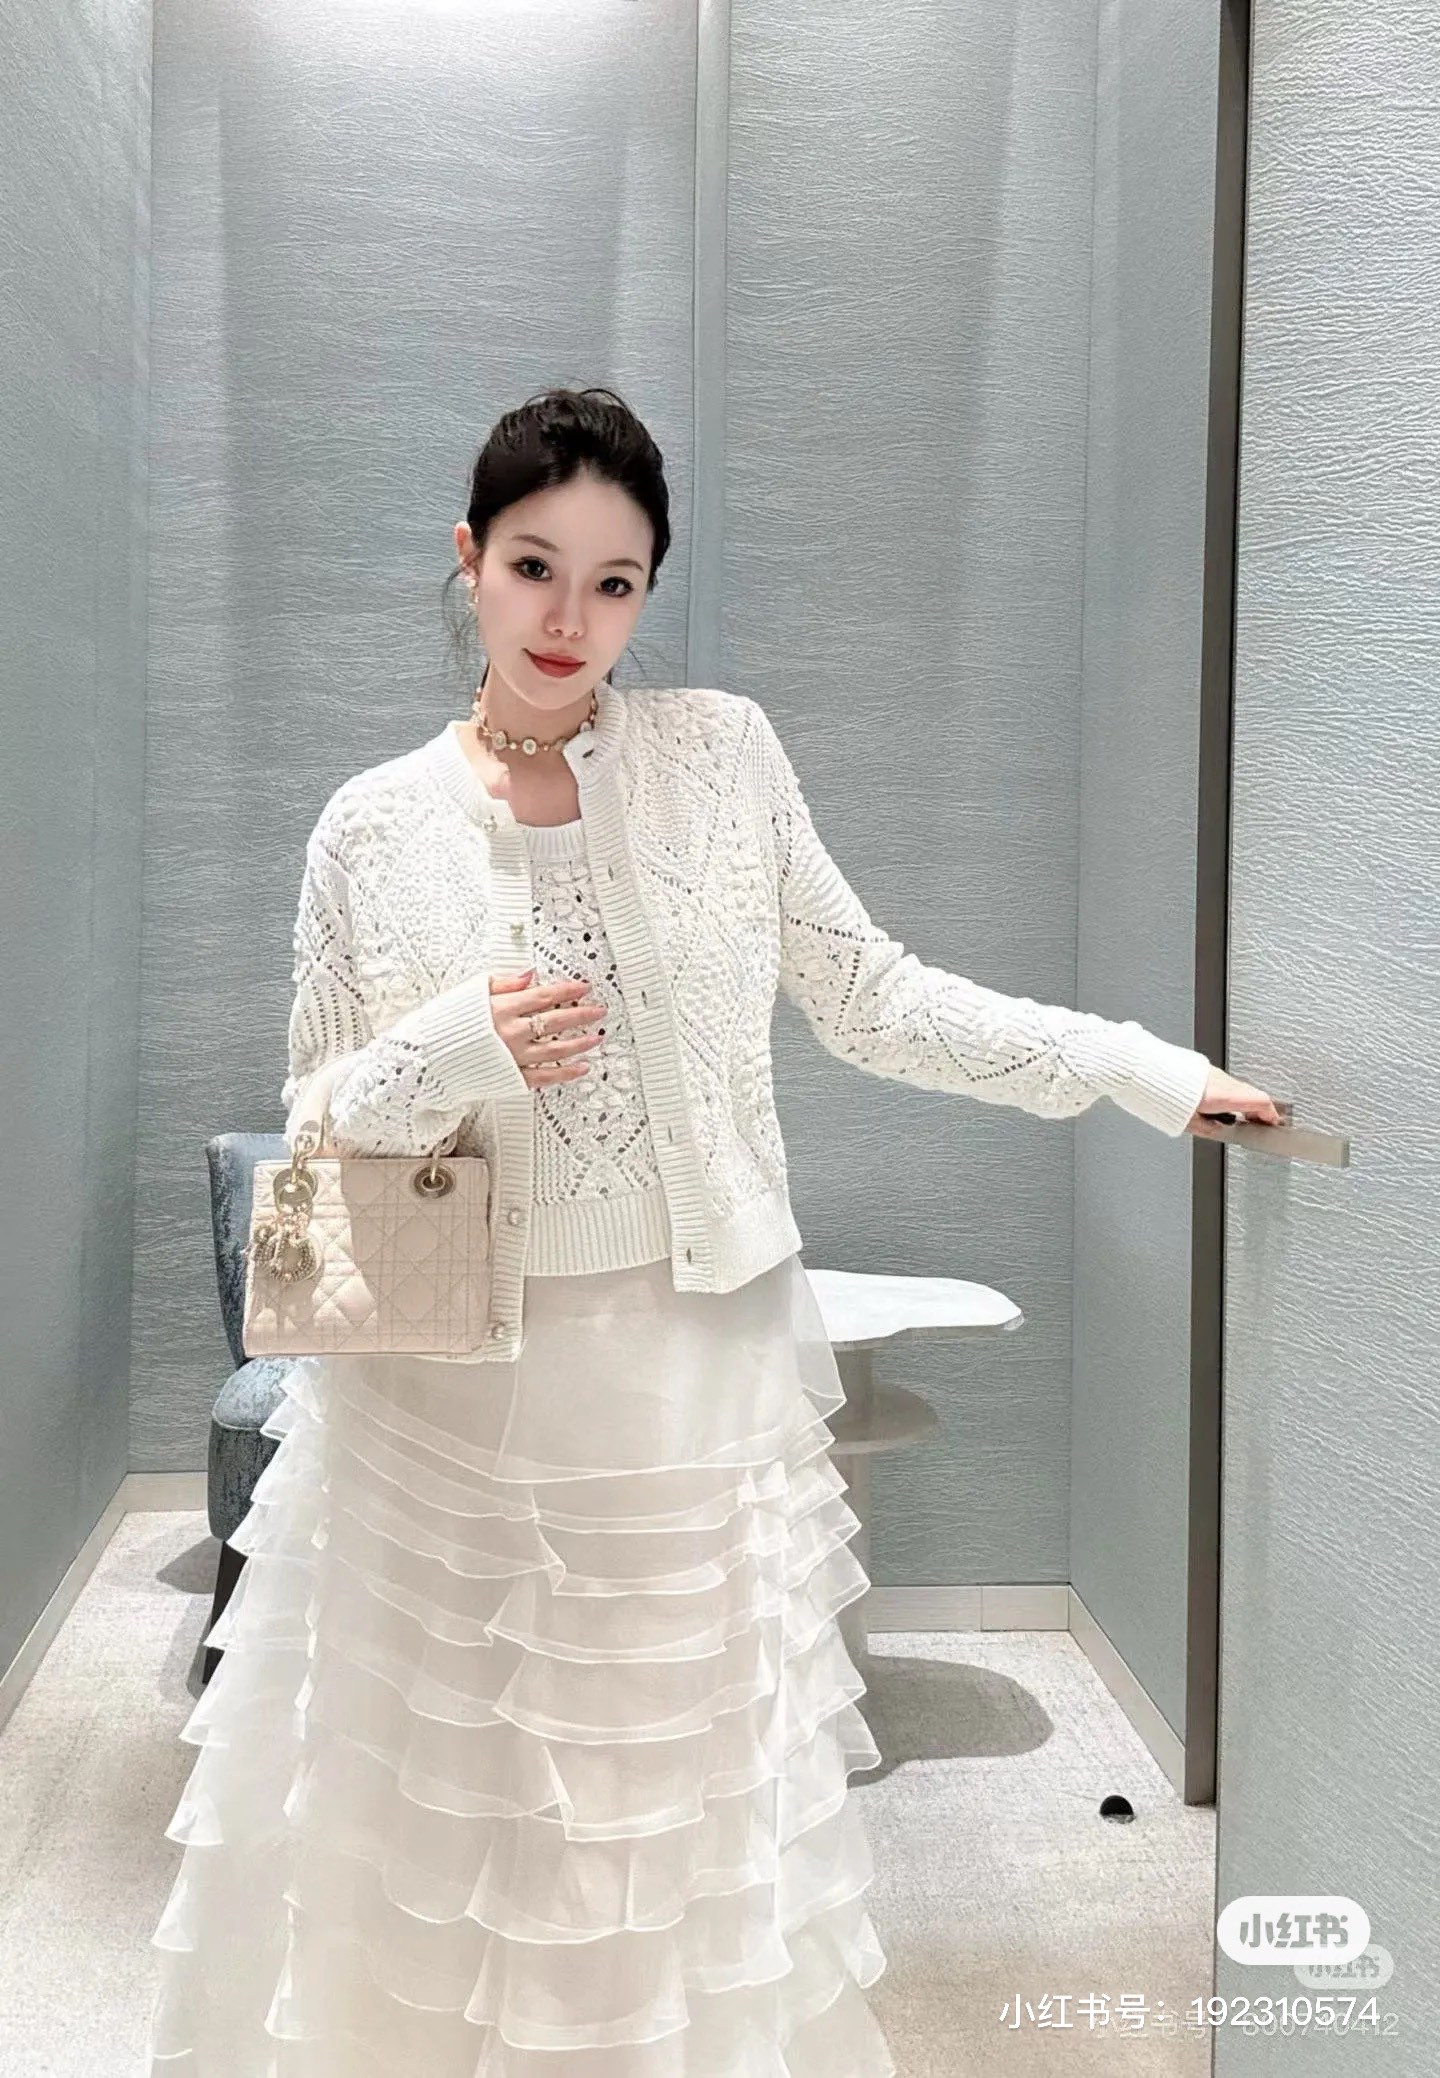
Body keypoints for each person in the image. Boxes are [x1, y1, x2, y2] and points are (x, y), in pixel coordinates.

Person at [145, 386, 1279, 2075]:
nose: (569, 617)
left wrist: (1137, 1068)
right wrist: (453, 1047)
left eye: (615, 582)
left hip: (689, 1381)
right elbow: (316, 1123)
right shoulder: (370, 824)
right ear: (470, 559)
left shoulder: (722, 757)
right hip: (439, 1405)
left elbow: (876, 996)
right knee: (446, 1805)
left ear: (649, 593)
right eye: (535, 565)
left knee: (667, 1801)